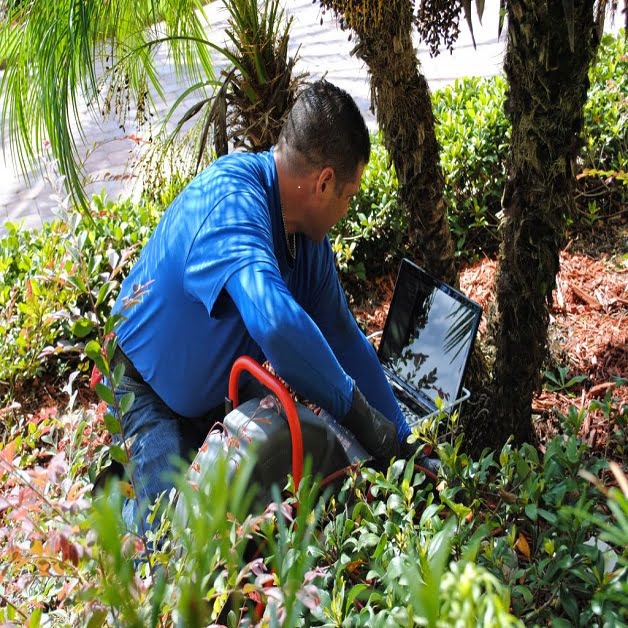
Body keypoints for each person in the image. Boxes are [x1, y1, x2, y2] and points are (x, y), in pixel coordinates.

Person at [108, 80, 413, 529]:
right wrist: (358, 413)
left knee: (309, 475)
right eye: (350, 196)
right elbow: (276, 324)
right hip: (145, 390)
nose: (348, 208)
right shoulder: (230, 204)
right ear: (324, 182)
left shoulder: (306, 241)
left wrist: (402, 439)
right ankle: (118, 501)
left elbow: (345, 338)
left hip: (212, 394)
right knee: (167, 558)